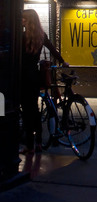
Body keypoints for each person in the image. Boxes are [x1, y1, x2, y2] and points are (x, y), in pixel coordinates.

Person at [21, 9, 69, 154]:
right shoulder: (41, 36)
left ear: (28, 20)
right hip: (34, 76)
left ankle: (29, 145)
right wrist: (63, 62)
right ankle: (39, 143)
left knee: (26, 112)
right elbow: (53, 50)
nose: (21, 21)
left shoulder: (20, 36)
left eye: (23, 19)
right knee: (34, 111)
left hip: (22, 77)